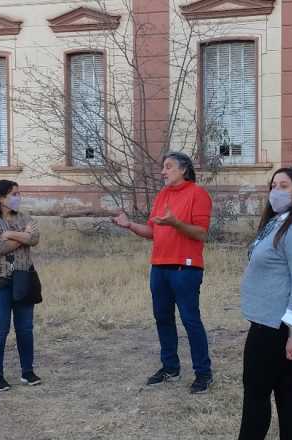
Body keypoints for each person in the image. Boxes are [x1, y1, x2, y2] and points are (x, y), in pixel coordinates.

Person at [112, 151, 214, 394]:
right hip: (159, 267)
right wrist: (129, 226)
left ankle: (203, 373)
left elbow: (201, 233)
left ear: (184, 170)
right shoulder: (162, 195)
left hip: (186, 268)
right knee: (162, 318)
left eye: (168, 167)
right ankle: (170, 368)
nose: (163, 172)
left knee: (190, 320)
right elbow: (152, 231)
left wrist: (176, 223)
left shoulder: (198, 194)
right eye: (163, 167)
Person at [237, 168, 292, 440]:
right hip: (271, 318)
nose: (275, 191)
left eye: (284, 186)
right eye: (273, 185)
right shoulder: (279, 221)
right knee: (286, 387)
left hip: (279, 324)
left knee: (257, 392)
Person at [0, 179, 42, 392]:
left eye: (18, 193)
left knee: (25, 328)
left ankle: (27, 371)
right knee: (0, 329)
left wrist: (10, 234)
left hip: (23, 279)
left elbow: (35, 238)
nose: (18, 197)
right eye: (14, 194)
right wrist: (22, 235)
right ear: (1, 197)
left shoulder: (24, 217)